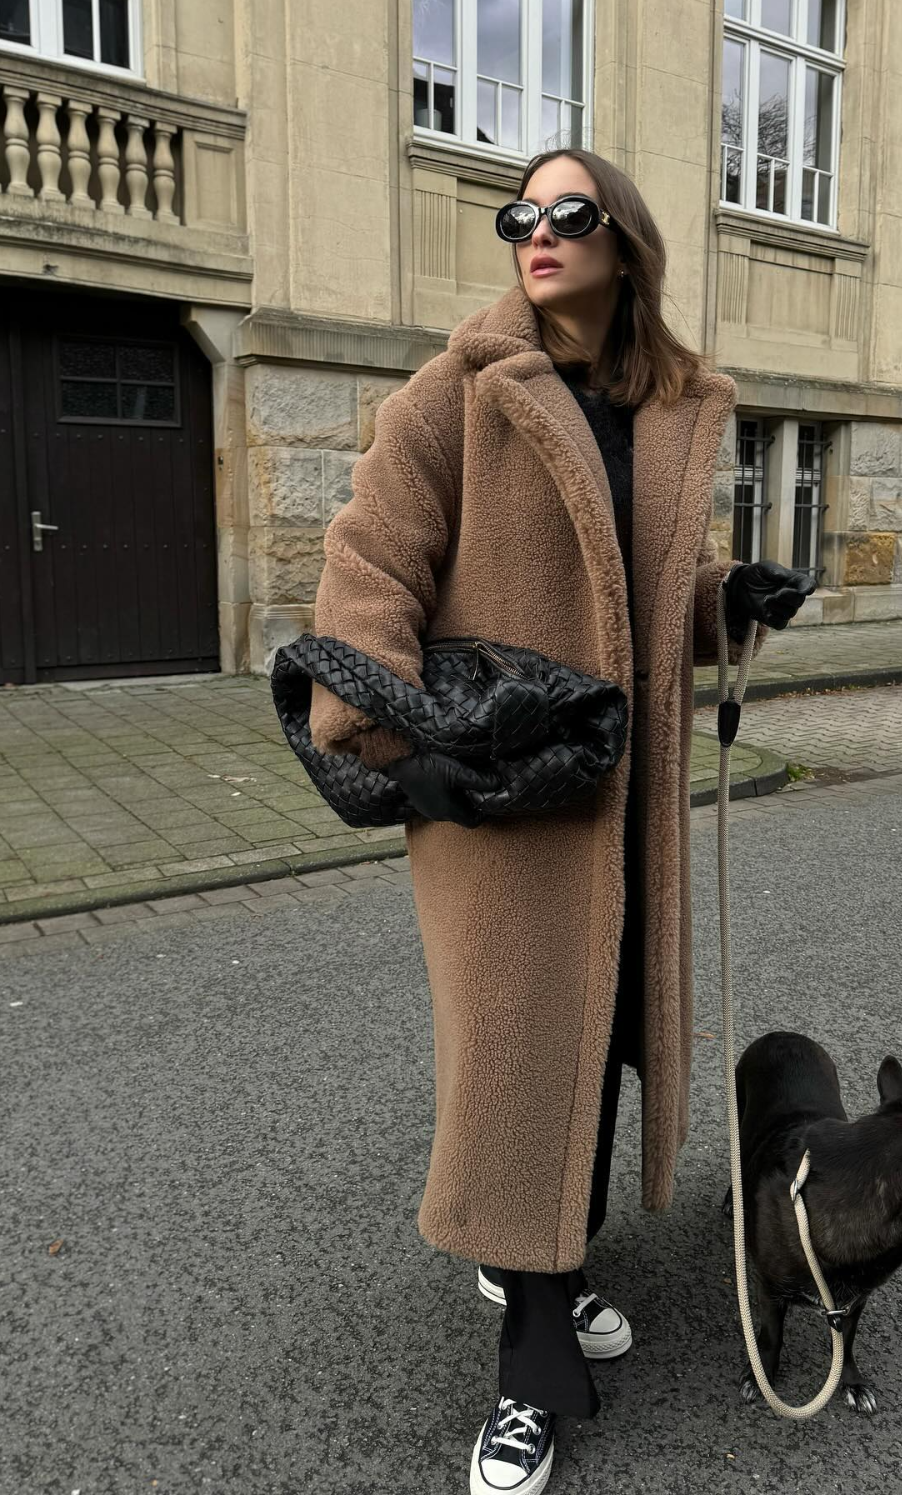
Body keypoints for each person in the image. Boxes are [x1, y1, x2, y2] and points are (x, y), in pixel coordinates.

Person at [307, 147, 814, 1494]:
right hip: (495, 804)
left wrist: (724, 602)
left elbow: (641, 599)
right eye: (518, 213)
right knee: (519, 1062)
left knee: (589, 1052)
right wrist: (397, 744)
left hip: (621, 804)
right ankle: (531, 1370)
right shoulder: (450, 397)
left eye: (568, 212)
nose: (537, 230)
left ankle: (547, 1255)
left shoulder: (664, 408)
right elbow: (366, 575)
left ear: (624, 241)